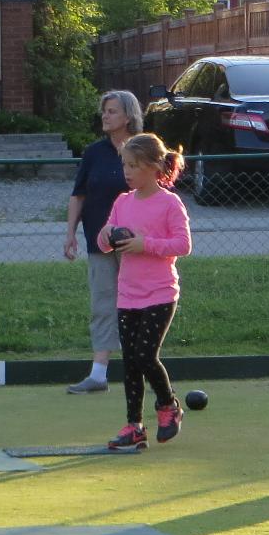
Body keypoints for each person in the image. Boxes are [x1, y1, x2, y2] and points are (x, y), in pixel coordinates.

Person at [96, 133, 191, 451]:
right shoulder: (122, 202)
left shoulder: (170, 203)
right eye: (124, 164)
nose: (127, 171)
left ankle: (169, 406)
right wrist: (107, 234)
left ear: (153, 167)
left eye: (134, 165)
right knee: (131, 362)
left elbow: (182, 245)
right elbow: (103, 242)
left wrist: (144, 243)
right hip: (128, 294)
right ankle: (134, 426)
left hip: (161, 293)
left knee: (145, 355)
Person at [63, 91, 141, 394]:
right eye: (104, 111)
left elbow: (156, 192)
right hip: (99, 242)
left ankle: (142, 366)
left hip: (136, 245)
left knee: (139, 306)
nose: (105, 117)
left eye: (111, 111)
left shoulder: (143, 149)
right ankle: (98, 374)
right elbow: (78, 194)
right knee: (103, 304)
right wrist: (70, 233)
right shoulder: (93, 152)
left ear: (128, 116)